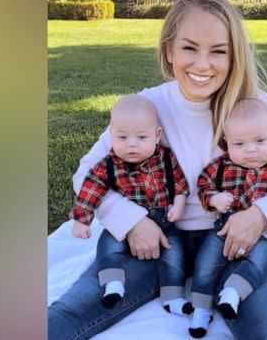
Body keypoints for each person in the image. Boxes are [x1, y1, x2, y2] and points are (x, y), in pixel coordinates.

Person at [48, 0, 267, 339]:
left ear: (234, 55)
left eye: (218, 51)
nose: (203, 64)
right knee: (69, 314)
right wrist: (132, 222)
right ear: (169, 51)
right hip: (160, 238)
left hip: (236, 243)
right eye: (189, 48)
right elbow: (86, 174)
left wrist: (260, 216)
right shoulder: (148, 105)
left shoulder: (255, 107)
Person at [189, 98, 267, 337]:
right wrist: (214, 199)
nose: (251, 150)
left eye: (260, 141)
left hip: (264, 235)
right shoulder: (221, 166)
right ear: (226, 142)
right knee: (206, 264)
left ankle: (233, 292)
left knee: (259, 264)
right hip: (223, 229)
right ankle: (201, 308)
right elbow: (203, 183)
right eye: (240, 143)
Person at [67, 94, 193, 315]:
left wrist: (179, 205)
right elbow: (90, 190)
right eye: (122, 137)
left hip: (164, 220)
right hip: (125, 226)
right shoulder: (108, 165)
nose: (131, 144)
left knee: (174, 256)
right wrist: (81, 219)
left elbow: (180, 183)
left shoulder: (165, 158)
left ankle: (172, 296)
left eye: (141, 137)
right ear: (112, 135)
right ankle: (113, 283)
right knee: (107, 247)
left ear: (157, 136)